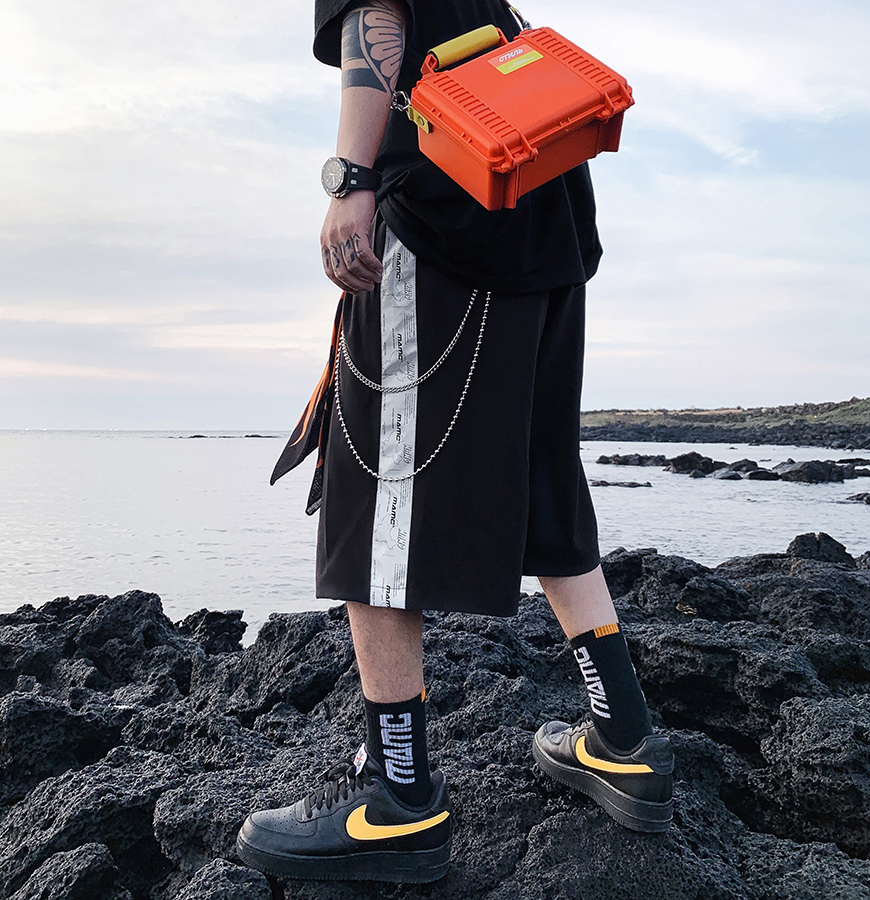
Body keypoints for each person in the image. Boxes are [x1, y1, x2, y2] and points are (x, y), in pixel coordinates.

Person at [236, 0, 673, 883]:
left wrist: (350, 180)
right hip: (545, 216)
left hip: (443, 216)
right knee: (544, 474)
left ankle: (398, 800)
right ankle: (624, 739)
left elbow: (376, 21)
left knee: (377, 493)